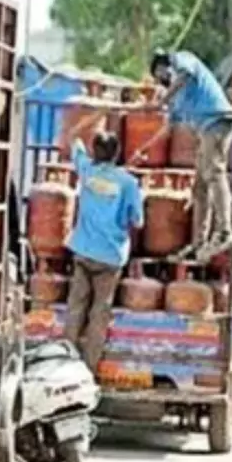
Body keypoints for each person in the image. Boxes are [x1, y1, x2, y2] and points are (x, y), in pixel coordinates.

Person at [65, 132, 144, 374]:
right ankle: (88, 370)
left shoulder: (87, 170)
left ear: (95, 151)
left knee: (76, 307)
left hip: (83, 250)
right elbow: (138, 221)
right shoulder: (129, 183)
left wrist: (82, 132)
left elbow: (75, 147)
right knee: (100, 311)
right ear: (117, 154)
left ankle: (65, 362)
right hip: (110, 256)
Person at [150, 49, 232, 261]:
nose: (162, 81)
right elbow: (167, 128)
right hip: (205, 130)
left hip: (217, 121)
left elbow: (186, 75)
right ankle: (199, 242)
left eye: (160, 75)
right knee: (199, 188)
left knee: (214, 172)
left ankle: (225, 231)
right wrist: (142, 149)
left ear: (164, 66)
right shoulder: (178, 97)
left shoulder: (183, 59)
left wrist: (162, 101)